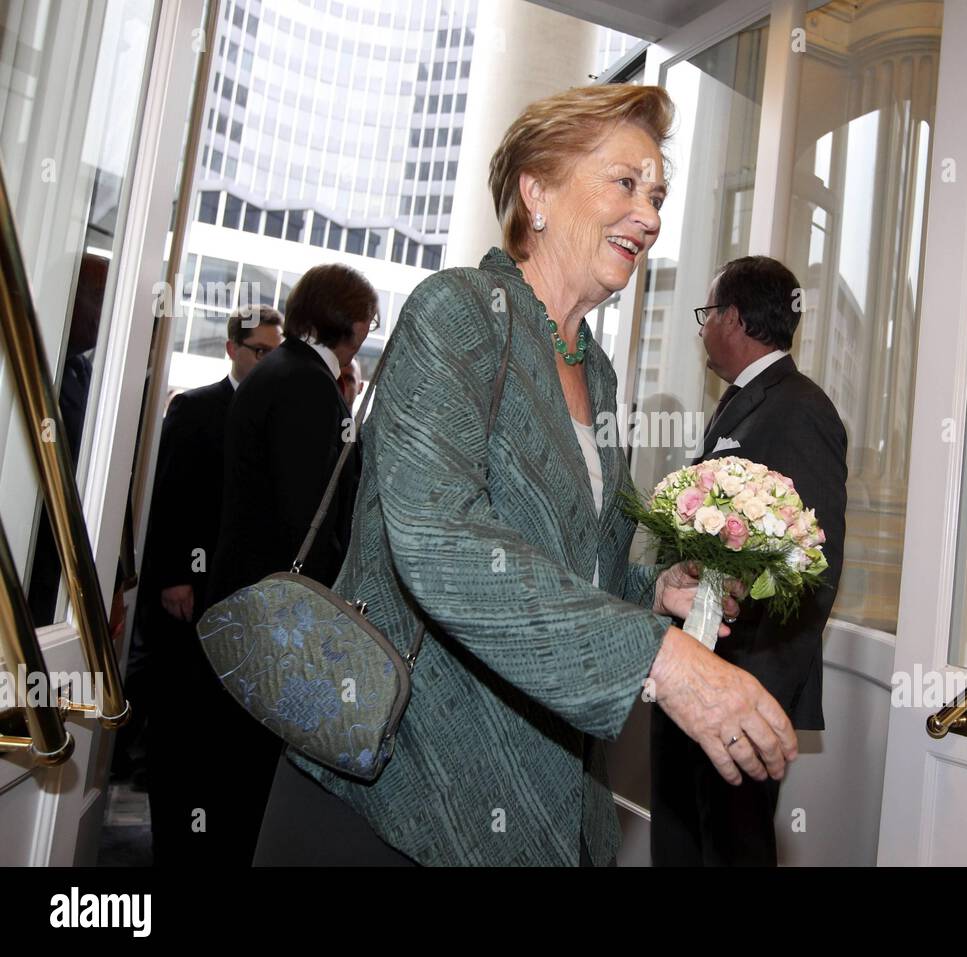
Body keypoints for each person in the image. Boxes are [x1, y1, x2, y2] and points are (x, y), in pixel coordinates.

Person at [253, 83, 798, 867]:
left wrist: (653, 588)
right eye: (624, 183)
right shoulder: (459, 313)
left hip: (542, 783)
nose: (649, 215)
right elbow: (439, 542)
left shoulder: (598, 373)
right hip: (394, 783)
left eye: (658, 193)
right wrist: (659, 657)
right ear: (535, 192)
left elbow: (582, 556)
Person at [650, 256, 848, 866]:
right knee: (684, 840)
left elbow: (815, 567)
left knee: (734, 851)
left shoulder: (799, 408)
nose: (702, 327)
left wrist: (755, 696)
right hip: (697, 666)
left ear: (733, 319)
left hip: (740, 683)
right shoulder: (741, 402)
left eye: (706, 314)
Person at [199, 264, 377, 864]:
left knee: (239, 770)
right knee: (251, 778)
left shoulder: (282, 370)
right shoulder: (304, 383)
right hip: (276, 615)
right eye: (369, 320)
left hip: (251, 597)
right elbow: (308, 515)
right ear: (352, 324)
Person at [142, 304, 283, 863]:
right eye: (260, 352)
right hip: (187, 598)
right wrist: (174, 575)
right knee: (181, 728)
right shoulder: (196, 408)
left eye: (277, 352)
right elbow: (171, 497)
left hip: (240, 602)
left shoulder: (273, 417)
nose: (269, 361)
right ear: (232, 349)